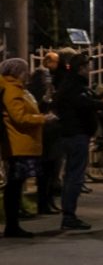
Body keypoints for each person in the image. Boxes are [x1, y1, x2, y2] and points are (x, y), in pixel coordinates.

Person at [2, 58, 57, 238]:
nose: (27, 74)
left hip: (23, 143)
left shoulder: (19, 89)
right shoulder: (12, 90)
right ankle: (12, 225)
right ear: (17, 72)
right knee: (14, 186)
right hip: (19, 144)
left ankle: (13, 224)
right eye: (24, 70)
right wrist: (42, 119)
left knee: (16, 185)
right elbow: (19, 117)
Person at [54, 53, 103, 231]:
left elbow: (91, 100)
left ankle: (69, 214)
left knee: (73, 175)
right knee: (74, 177)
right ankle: (69, 216)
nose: (90, 70)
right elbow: (85, 103)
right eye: (87, 67)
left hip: (75, 135)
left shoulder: (74, 84)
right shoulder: (73, 86)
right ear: (81, 68)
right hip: (75, 135)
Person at [27, 52, 61, 214]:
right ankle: (44, 202)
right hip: (45, 129)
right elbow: (39, 102)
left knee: (52, 167)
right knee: (46, 168)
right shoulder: (40, 75)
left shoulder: (50, 79)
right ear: (47, 62)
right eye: (55, 62)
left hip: (51, 129)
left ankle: (48, 200)